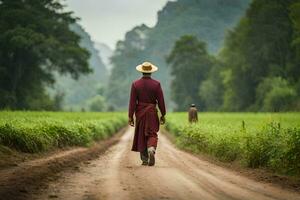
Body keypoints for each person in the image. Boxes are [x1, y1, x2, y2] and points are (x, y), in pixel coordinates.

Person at [128, 61, 166, 166]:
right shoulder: (156, 84)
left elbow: (132, 102)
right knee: (152, 133)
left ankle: (144, 159)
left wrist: (130, 116)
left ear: (142, 71)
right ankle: (151, 149)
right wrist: (163, 114)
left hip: (140, 113)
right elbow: (161, 101)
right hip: (152, 112)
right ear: (151, 72)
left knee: (141, 135)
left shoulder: (135, 84)